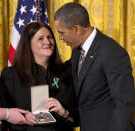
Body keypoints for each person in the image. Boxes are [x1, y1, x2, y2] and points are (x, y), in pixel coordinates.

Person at [54, 2, 135, 131]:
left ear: (77, 29)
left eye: (62, 32)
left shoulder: (111, 51)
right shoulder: (77, 50)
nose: (60, 38)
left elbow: (124, 104)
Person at [1, 22, 79, 131]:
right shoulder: (11, 75)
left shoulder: (67, 71)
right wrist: (24, 118)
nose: (47, 42)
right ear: (28, 43)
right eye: (40, 38)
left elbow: (80, 116)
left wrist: (65, 112)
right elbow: (4, 117)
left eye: (50, 37)